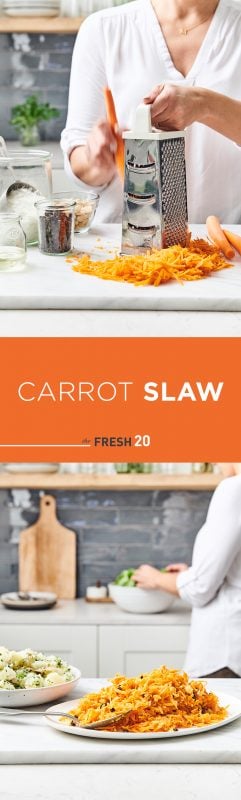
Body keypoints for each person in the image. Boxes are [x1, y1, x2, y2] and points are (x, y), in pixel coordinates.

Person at [61, 0, 241, 223]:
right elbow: (79, 159)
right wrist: (94, 161)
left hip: (228, 247)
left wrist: (204, 104)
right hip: (117, 249)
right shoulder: (103, 29)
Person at [133, 464, 241, 678]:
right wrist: (192, 573)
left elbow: (199, 588)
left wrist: (156, 578)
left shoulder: (234, 489)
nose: (211, 462)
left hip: (225, 657)